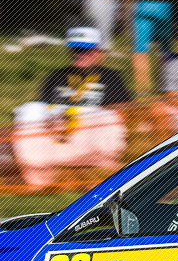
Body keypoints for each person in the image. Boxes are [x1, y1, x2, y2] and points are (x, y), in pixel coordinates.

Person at [13, 28, 131, 187]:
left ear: (98, 51)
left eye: (86, 50)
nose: (79, 54)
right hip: (57, 134)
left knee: (108, 118)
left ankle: (93, 172)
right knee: (30, 110)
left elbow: (122, 116)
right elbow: (42, 111)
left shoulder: (111, 78)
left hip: (90, 135)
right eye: (76, 50)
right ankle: (42, 175)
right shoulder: (56, 76)